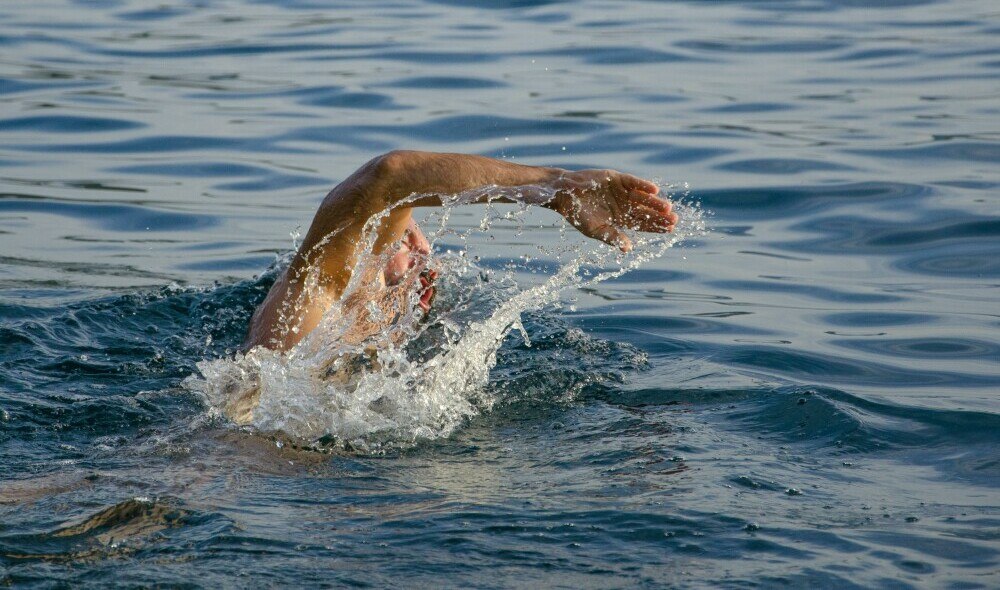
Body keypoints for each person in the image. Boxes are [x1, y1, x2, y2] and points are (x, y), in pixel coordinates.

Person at [243, 150, 678, 352]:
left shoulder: (371, 356)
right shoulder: (311, 301)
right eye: (399, 231)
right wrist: (556, 186)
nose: (416, 244)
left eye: (417, 237)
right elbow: (390, 177)